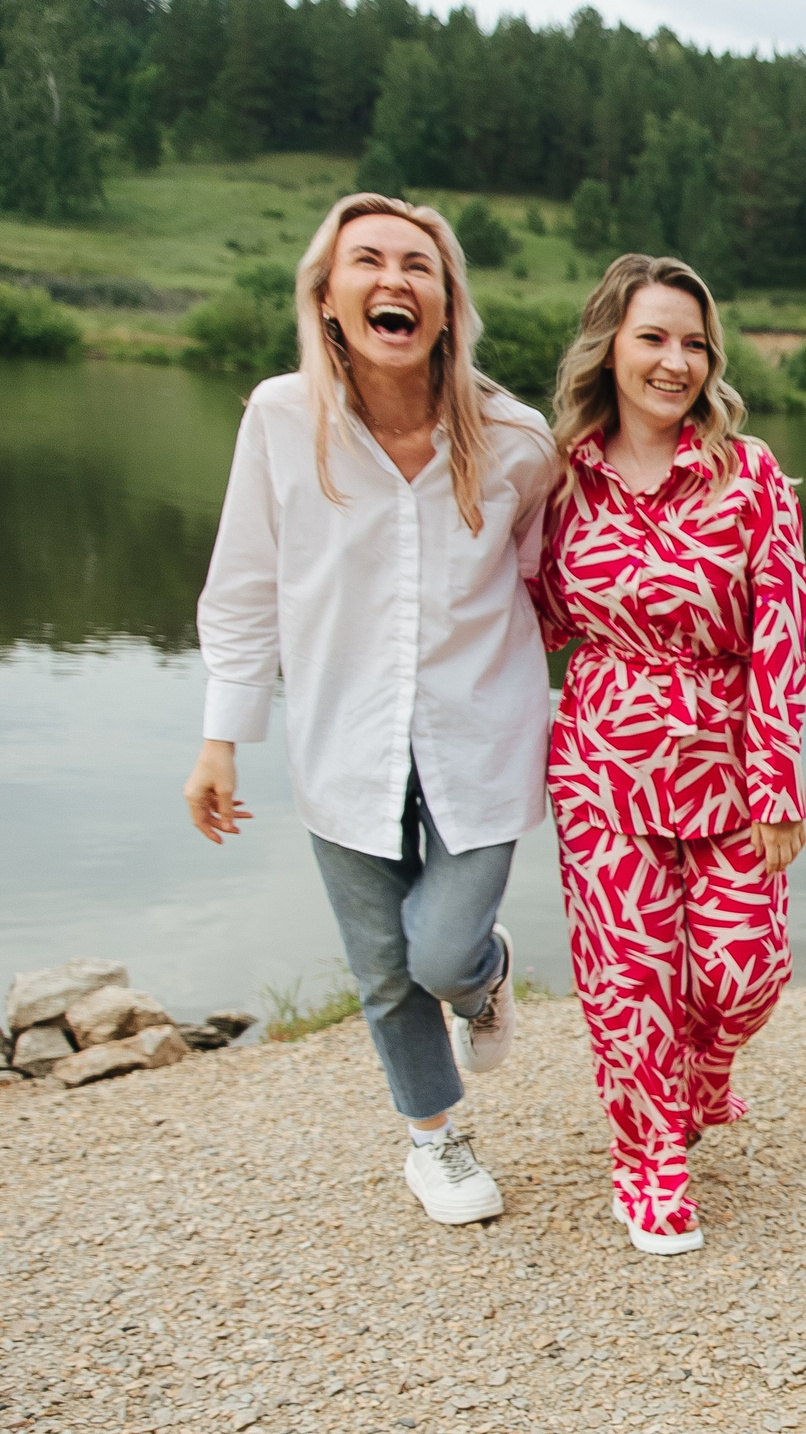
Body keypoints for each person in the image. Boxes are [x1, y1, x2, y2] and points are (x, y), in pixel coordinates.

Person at [187, 194, 555, 1228]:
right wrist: (222, 737)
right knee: (386, 971)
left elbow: (539, 581)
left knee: (440, 954)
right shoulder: (276, 419)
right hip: (339, 741)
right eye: (368, 261)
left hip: (481, 734)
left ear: (447, 303)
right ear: (329, 296)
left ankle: (483, 977)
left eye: (418, 266)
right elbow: (242, 585)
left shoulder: (520, 441)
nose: (394, 279)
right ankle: (436, 1142)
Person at [532, 254, 806, 1258]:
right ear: (610, 346)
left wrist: (778, 782)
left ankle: (699, 1076)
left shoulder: (750, 474)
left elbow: (778, 633)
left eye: (693, 343)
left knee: (745, 973)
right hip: (600, 762)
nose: (674, 361)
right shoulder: (561, 476)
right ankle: (648, 1161)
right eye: (653, 337)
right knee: (628, 977)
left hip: (729, 762)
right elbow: (532, 615)